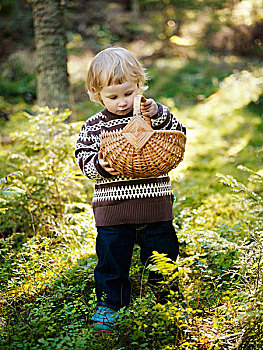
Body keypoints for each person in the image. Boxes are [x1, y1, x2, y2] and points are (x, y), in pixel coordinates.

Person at [75, 47, 186, 333]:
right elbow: (83, 158)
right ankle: (110, 306)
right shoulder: (93, 126)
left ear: (139, 85)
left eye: (128, 93)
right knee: (111, 261)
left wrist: (158, 112)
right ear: (96, 93)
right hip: (113, 210)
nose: (122, 103)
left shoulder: (151, 116)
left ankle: (167, 301)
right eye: (113, 97)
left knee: (163, 256)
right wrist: (99, 165)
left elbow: (177, 133)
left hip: (155, 205)